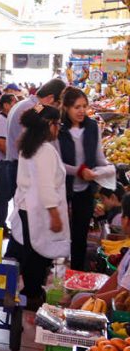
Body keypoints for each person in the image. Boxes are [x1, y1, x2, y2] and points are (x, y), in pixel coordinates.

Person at [12, 106, 69, 310]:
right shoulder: (45, 151)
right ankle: (32, 295)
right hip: (38, 210)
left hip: (28, 207)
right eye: (57, 124)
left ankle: (31, 292)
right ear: (48, 125)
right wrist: (55, 214)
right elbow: (46, 185)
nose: (58, 129)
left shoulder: (29, 145)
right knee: (37, 254)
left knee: (31, 252)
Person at [57, 87, 114, 271]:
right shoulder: (58, 129)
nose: (82, 110)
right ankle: (53, 268)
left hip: (85, 189)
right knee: (59, 232)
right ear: (66, 108)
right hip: (61, 188)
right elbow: (55, 163)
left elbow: (98, 157)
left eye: (84, 106)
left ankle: (76, 273)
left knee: (80, 234)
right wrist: (78, 171)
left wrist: (106, 169)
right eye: (76, 107)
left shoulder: (92, 127)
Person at [5, 78, 65, 217]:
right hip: (24, 169)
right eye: (58, 104)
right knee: (26, 220)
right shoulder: (33, 111)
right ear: (51, 98)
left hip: (18, 166)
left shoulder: (26, 105)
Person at [0, 94, 18, 231]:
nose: (16, 106)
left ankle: (1, 224)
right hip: (1, 163)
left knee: (6, 194)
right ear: (6, 105)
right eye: (14, 103)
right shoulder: (0, 121)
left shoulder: (9, 120)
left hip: (7, 162)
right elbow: (1, 145)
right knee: (2, 195)